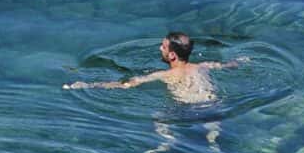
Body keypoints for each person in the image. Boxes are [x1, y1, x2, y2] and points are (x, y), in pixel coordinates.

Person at [66, 32, 246, 102]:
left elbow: (125, 85)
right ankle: (213, 140)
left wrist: (88, 85)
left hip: (189, 108)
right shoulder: (204, 66)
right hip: (213, 103)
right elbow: (229, 66)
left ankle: (167, 142)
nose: (160, 48)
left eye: (163, 47)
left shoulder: (165, 75)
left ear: (172, 55)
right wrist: (241, 60)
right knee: (213, 130)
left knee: (160, 119)